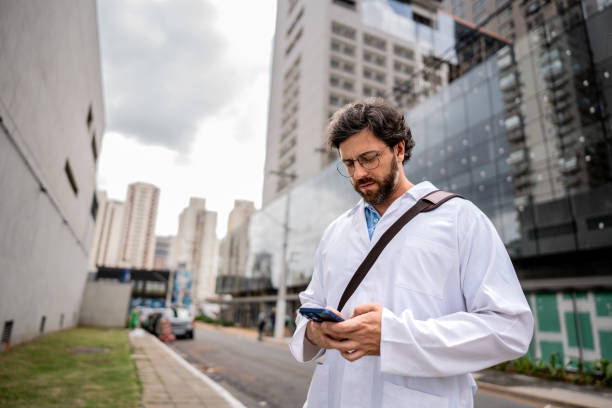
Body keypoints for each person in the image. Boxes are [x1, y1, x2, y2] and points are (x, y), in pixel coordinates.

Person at [289, 98, 533, 408]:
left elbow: (509, 328)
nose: (359, 173)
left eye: (369, 158)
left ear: (399, 150)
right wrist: (313, 332)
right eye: (349, 164)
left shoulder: (460, 219)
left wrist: (394, 337)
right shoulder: (335, 232)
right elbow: (309, 307)